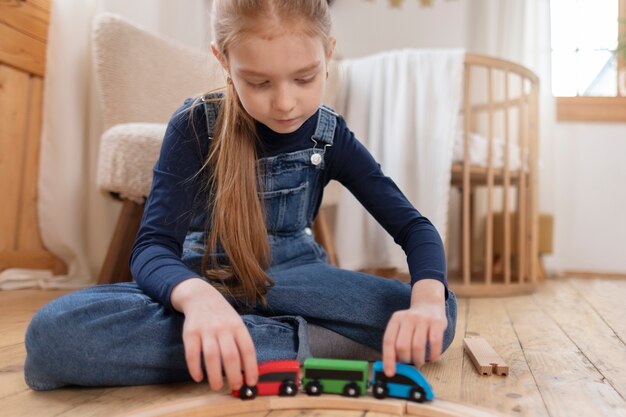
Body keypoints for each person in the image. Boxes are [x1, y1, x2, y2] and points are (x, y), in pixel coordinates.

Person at [24, 0, 457, 392]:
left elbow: (413, 228)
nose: (285, 103)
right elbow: (153, 247)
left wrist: (426, 304)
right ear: (224, 61)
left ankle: (233, 346)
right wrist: (198, 300)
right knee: (54, 334)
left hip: (294, 278)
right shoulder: (195, 125)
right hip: (204, 277)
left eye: (304, 78)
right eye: (259, 82)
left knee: (441, 314)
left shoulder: (331, 136)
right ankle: (296, 343)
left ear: (328, 53)